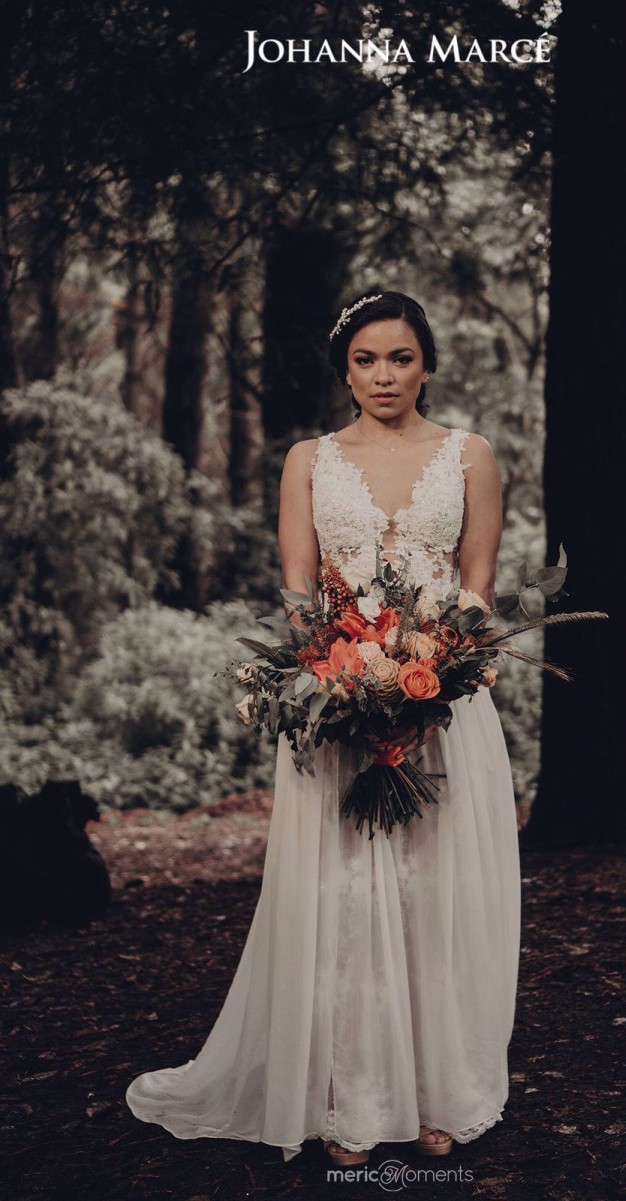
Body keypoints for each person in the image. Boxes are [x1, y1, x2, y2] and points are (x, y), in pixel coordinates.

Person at [125, 290, 522, 1167]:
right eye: (367, 360)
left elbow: (479, 587)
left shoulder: (471, 456)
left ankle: (438, 1091)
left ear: (427, 363)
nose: (385, 376)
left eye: (402, 358)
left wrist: (432, 677)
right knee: (344, 896)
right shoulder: (309, 460)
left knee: (434, 893)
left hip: (443, 704)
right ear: (345, 370)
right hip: (332, 701)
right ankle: (354, 1097)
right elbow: (299, 591)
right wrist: (335, 680)